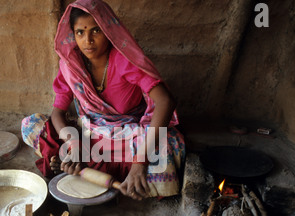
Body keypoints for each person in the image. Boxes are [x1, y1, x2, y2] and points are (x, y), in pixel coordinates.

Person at [22, 0, 185, 200]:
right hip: (90, 132)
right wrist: (74, 144)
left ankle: (88, 167)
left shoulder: (124, 60)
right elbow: (58, 112)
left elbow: (165, 102)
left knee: (168, 146)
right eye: (80, 32)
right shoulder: (71, 64)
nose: (87, 40)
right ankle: (83, 162)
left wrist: (139, 162)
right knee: (31, 125)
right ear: (73, 34)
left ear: (108, 31)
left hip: (127, 134)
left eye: (95, 31)